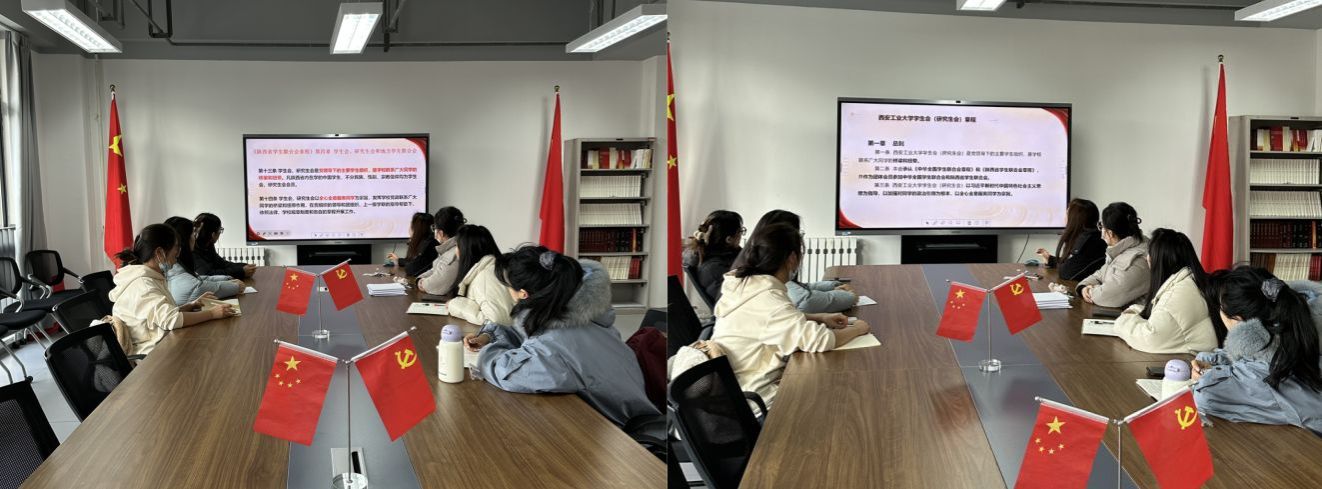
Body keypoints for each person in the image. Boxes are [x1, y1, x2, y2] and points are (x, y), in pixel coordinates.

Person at [462, 246, 660, 440]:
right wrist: (489, 335)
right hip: (627, 413)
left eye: (507, 285)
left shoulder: (553, 351)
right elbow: (534, 340)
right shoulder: (578, 316)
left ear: (523, 293)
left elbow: (506, 371)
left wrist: (488, 351)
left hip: (625, 439)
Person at [711, 223, 871, 409]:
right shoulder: (768, 298)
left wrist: (818, 317)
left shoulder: (745, 284)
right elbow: (820, 340)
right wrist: (858, 329)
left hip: (735, 388)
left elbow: (763, 322)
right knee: (844, 394)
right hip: (759, 399)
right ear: (792, 258)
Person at [1192, 267, 1322, 435]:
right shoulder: (1299, 331)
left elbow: (1207, 395)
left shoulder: (1266, 372)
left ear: (1237, 320)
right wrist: (1216, 363)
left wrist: (1206, 376)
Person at [108, 224, 237, 357]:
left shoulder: (150, 277)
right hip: (152, 356)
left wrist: (190, 305)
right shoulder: (144, 284)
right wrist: (212, 313)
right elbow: (171, 320)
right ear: (159, 253)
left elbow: (160, 316)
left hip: (162, 344)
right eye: (176, 247)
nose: (179, 252)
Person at [1112, 229, 1218, 354]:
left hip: (1194, 362)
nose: (1147, 258)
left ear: (1159, 262)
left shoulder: (1176, 297)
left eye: (1150, 254)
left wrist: (1125, 318)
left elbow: (1150, 338)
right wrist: (1137, 309)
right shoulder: (1190, 282)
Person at [753, 210, 858, 313]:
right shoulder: (774, 275)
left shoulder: (761, 266)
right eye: (798, 234)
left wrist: (834, 286)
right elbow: (806, 302)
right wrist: (849, 296)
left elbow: (800, 288)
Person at [1075, 202, 1149, 308]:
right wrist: (1083, 287)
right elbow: (1099, 275)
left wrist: (1090, 291)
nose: (1101, 233)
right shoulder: (1123, 248)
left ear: (1110, 233)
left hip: (1134, 316)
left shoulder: (1137, 260)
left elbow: (1105, 297)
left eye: (1101, 226)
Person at [163, 216, 245, 305]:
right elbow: (200, 285)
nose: (195, 237)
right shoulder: (185, 271)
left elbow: (199, 278)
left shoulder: (175, 267)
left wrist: (228, 278)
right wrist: (235, 285)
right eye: (193, 234)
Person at [446, 225, 514, 326]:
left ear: (466, 250)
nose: (455, 251)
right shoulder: (490, 268)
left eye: (457, 245)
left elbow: (495, 321)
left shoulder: (486, 277)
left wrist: (455, 305)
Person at [681, 210, 744, 304]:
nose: (741, 235)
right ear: (729, 239)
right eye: (740, 231)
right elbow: (734, 299)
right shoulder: (714, 268)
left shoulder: (724, 254)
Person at [1036, 198, 1106, 281]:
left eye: (1067, 214)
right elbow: (1074, 263)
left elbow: (1067, 272)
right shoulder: (1089, 235)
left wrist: (1055, 262)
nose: (1064, 218)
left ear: (1075, 218)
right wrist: (1050, 259)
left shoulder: (1090, 241)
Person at [416, 207, 466, 296]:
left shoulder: (455, 252)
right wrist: (420, 279)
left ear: (440, 233)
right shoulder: (450, 248)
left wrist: (420, 282)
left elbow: (433, 284)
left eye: (434, 227)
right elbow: (435, 270)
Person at [191, 212, 256, 279]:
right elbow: (207, 275)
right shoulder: (192, 249)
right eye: (220, 229)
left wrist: (244, 266)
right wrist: (241, 271)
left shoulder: (208, 245)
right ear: (213, 234)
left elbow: (222, 264)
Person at [387, 212, 438, 277]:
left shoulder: (429, 244)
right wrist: (398, 260)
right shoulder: (427, 241)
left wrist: (400, 261)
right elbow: (414, 261)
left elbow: (412, 268)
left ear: (416, 229)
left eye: (411, 225)